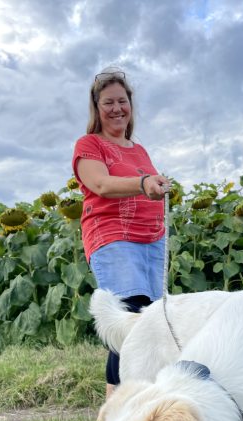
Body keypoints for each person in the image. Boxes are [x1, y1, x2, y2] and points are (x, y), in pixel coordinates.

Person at [72, 67, 171, 397]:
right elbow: (100, 184)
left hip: (151, 243)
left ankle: (139, 399)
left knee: (151, 321)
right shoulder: (90, 145)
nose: (117, 109)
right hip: (113, 238)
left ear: (131, 105)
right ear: (97, 108)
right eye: (108, 102)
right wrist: (143, 183)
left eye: (122, 101)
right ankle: (117, 404)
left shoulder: (139, 150)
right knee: (130, 318)